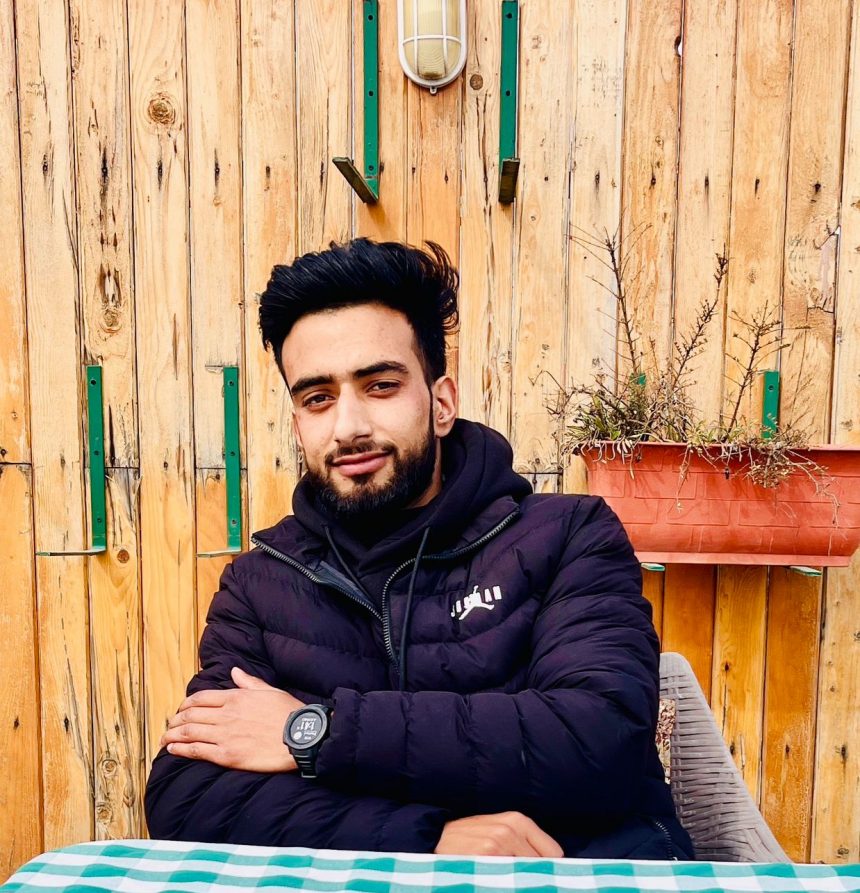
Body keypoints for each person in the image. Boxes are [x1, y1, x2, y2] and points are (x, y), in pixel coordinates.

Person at [144, 238, 694, 859]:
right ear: (298, 422)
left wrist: (313, 732)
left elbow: (599, 740)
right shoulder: (261, 584)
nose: (349, 427)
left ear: (441, 403)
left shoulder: (567, 536)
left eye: (380, 385)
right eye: (318, 398)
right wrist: (426, 838)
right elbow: (187, 796)